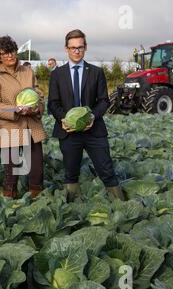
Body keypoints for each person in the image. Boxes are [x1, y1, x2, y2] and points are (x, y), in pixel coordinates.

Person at [47, 29, 124, 202]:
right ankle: (69, 209)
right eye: (73, 47)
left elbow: (104, 101)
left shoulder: (96, 72)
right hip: (68, 131)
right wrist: (63, 119)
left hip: (93, 130)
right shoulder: (57, 75)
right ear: (66, 49)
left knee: (106, 169)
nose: (76, 51)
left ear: (85, 47)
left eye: (80, 47)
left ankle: (121, 205)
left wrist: (92, 117)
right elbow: (53, 103)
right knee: (70, 172)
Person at [0, 36, 46, 199]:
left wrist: (36, 108)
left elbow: (38, 95)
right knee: (11, 170)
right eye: (4, 54)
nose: (9, 56)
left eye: (11, 51)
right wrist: (16, 110)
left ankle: (36, 197)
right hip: (9, 126)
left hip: (32, 124)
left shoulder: (28, 71)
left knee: (36, 168)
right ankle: (9, 198)